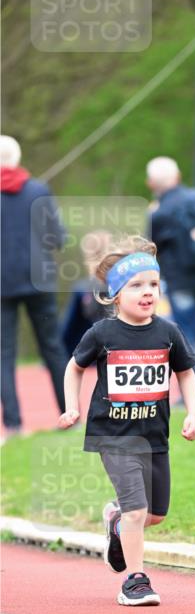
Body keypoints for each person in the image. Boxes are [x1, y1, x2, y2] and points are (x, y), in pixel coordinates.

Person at [58, 236, 195, 605]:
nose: (148, 291)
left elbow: (186, 373)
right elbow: (74, 369)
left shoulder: (168, 332)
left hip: (155, 436)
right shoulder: (102, 334)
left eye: (153, 283)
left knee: (153, 516)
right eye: (136, 285)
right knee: (138, 510)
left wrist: (193, 414)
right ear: (116, 294)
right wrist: (71, 406)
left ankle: (117, 522)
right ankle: (135, 581)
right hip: (114, 436)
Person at [1, 135, 69, 437]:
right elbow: (58, 238)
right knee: (52, 348)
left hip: (3, 282)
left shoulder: (39, 189)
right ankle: (70, 415)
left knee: (4, 354)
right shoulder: (39, 190)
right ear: (17, 157)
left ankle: (13, 425)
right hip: (39, 280)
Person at [146, 156, 195, 402]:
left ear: (151, 183)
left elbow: (153, 248)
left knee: (185, 336)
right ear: (178, 176)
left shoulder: (158, 213)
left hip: (181, 281)